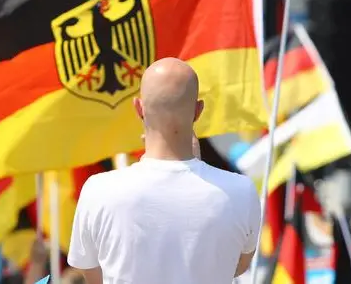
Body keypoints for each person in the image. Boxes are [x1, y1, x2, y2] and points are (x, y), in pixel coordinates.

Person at [68, 58, 261, 284]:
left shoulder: (97, 190)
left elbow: (94, 277)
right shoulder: (241, 191)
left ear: (139, 108)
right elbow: (235, 266)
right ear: (198, 111)